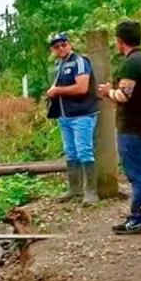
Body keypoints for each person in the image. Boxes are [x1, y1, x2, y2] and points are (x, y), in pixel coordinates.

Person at [97, 20, 141, 235]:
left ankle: (139, 218)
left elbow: (124, 95)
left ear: (120, 41)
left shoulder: (131, 63)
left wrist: (107, 92)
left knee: (138, 175)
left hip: (132, 127)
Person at [45, 33, 100, 204]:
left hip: (81, 114)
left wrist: (58, 91)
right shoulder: (58, 65)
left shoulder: (79, 61)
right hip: (65, 114)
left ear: (69, 44)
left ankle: (91, 191)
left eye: (63, 44)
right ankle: (74, 188)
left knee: (84, 151)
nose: (60, 48)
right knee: (71, 151)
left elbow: (82, 87)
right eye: (56, 46)